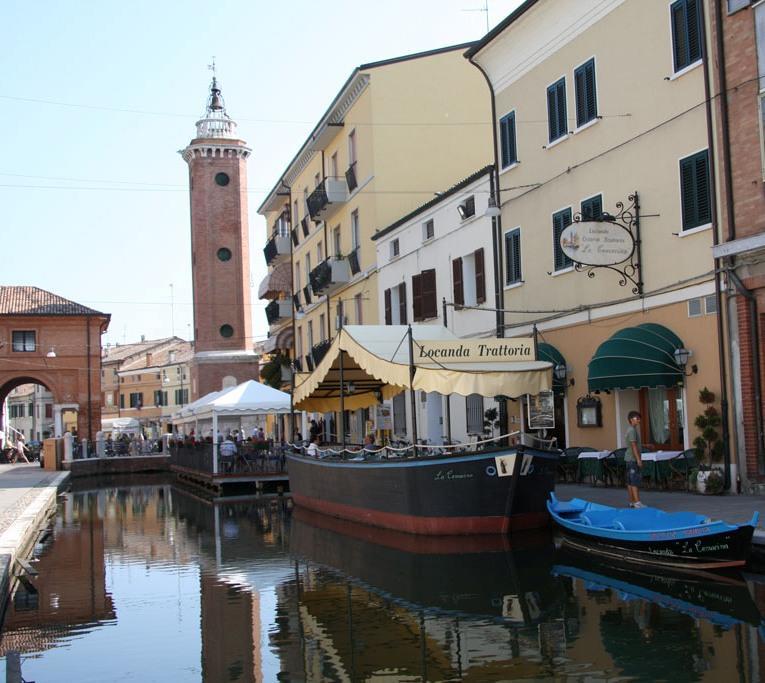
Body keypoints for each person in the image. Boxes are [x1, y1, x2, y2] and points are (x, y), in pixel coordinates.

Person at [624, 410, 644, 508]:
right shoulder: (632, 430)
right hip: (632, 459)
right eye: (637, 418)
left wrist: (646, 445)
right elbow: (633, 445)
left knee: (630, 481)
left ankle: (632, 501)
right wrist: (638, 459)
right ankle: (637, 502)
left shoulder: (629, 429)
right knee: (634, 480)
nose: (639, 420)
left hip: (628, 458)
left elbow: (634, 444)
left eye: (639, 418)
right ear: (631, 419)